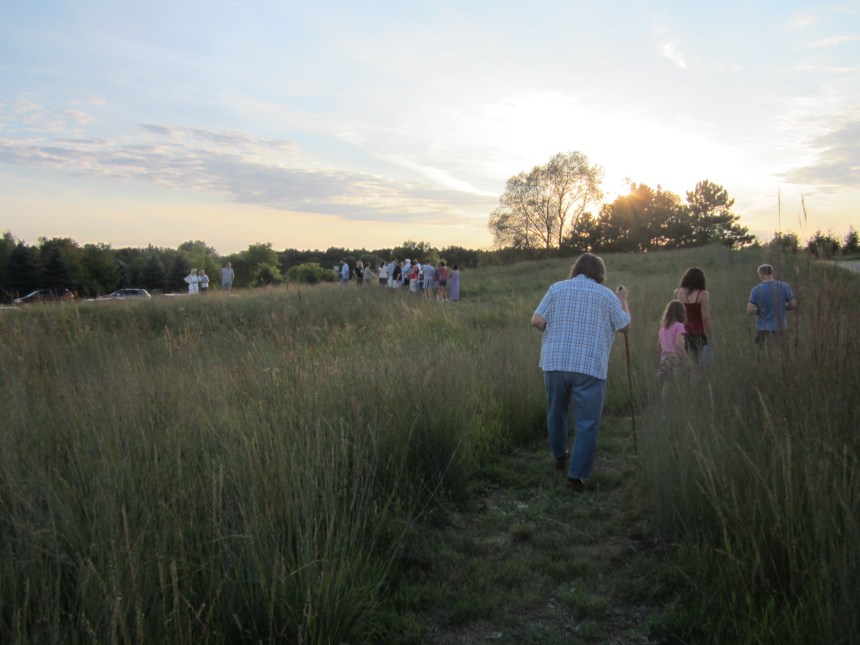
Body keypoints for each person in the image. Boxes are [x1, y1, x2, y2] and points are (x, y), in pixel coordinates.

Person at [531, 253, 631, 490]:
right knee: (587, 422)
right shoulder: (607, 296)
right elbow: (625, 326)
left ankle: (559, 456)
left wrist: (552, 329)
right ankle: (577, 477)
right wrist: (623, 299)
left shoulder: (556, 289)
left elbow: (536, 320)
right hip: (589, 365)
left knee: (556, 412)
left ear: (575, 269)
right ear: (600, 273)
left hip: (555, 362)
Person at [747, 263, 797, 348]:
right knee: (781, 353)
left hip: (763, 329)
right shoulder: (784, 286)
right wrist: (783, 307)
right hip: (781, 328)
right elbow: (793, 304)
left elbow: (750, 310)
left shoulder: (756, 290)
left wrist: (759, 310)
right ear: (771, 273)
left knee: (763, 355)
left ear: (761, 275)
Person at [674, 267, 711, 364]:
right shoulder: (703, 294)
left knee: (684, 362)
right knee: (701, 363)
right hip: (698, 332)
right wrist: (710, 336)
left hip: (682, 332)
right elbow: (705, 318)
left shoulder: (679, 292)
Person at [657, 300, 691, 400]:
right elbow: (679, 343)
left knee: (667, 384)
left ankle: (665, 410)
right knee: (681, 383)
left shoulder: (663, 328)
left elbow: (659, 343)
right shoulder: (679, 326)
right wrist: (687, 358)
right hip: (676, 358)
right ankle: (682, 404)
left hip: (665, 358)